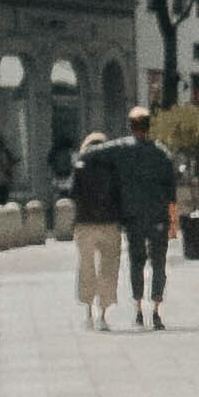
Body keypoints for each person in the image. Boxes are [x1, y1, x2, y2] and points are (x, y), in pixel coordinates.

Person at [101, 104, 182, 325]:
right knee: (159, 263)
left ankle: (138, 308)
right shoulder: (161, 153)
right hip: (158, 217)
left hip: (133, 217)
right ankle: (156, 310)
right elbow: (171, 192)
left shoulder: (123, 153)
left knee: (136, 261)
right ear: (149, 127)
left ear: (131, 127)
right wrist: (173, 222)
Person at [67, 114, 125, 326]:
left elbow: (72, 193)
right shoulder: (114, 167)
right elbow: (121, 195)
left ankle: (89, 312)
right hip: (110, 223)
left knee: (87, 267)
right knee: (109, 268)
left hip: (85, 224)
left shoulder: (80, 166)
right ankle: (104, 314)